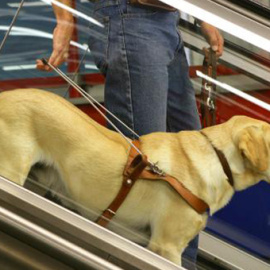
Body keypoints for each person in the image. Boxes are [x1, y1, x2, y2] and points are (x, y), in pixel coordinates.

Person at [37, 0, 224, 268]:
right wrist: (65, 19)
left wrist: (202, 15)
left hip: (166, 20)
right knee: (146, 173)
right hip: (130, 19)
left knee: (190, 166)